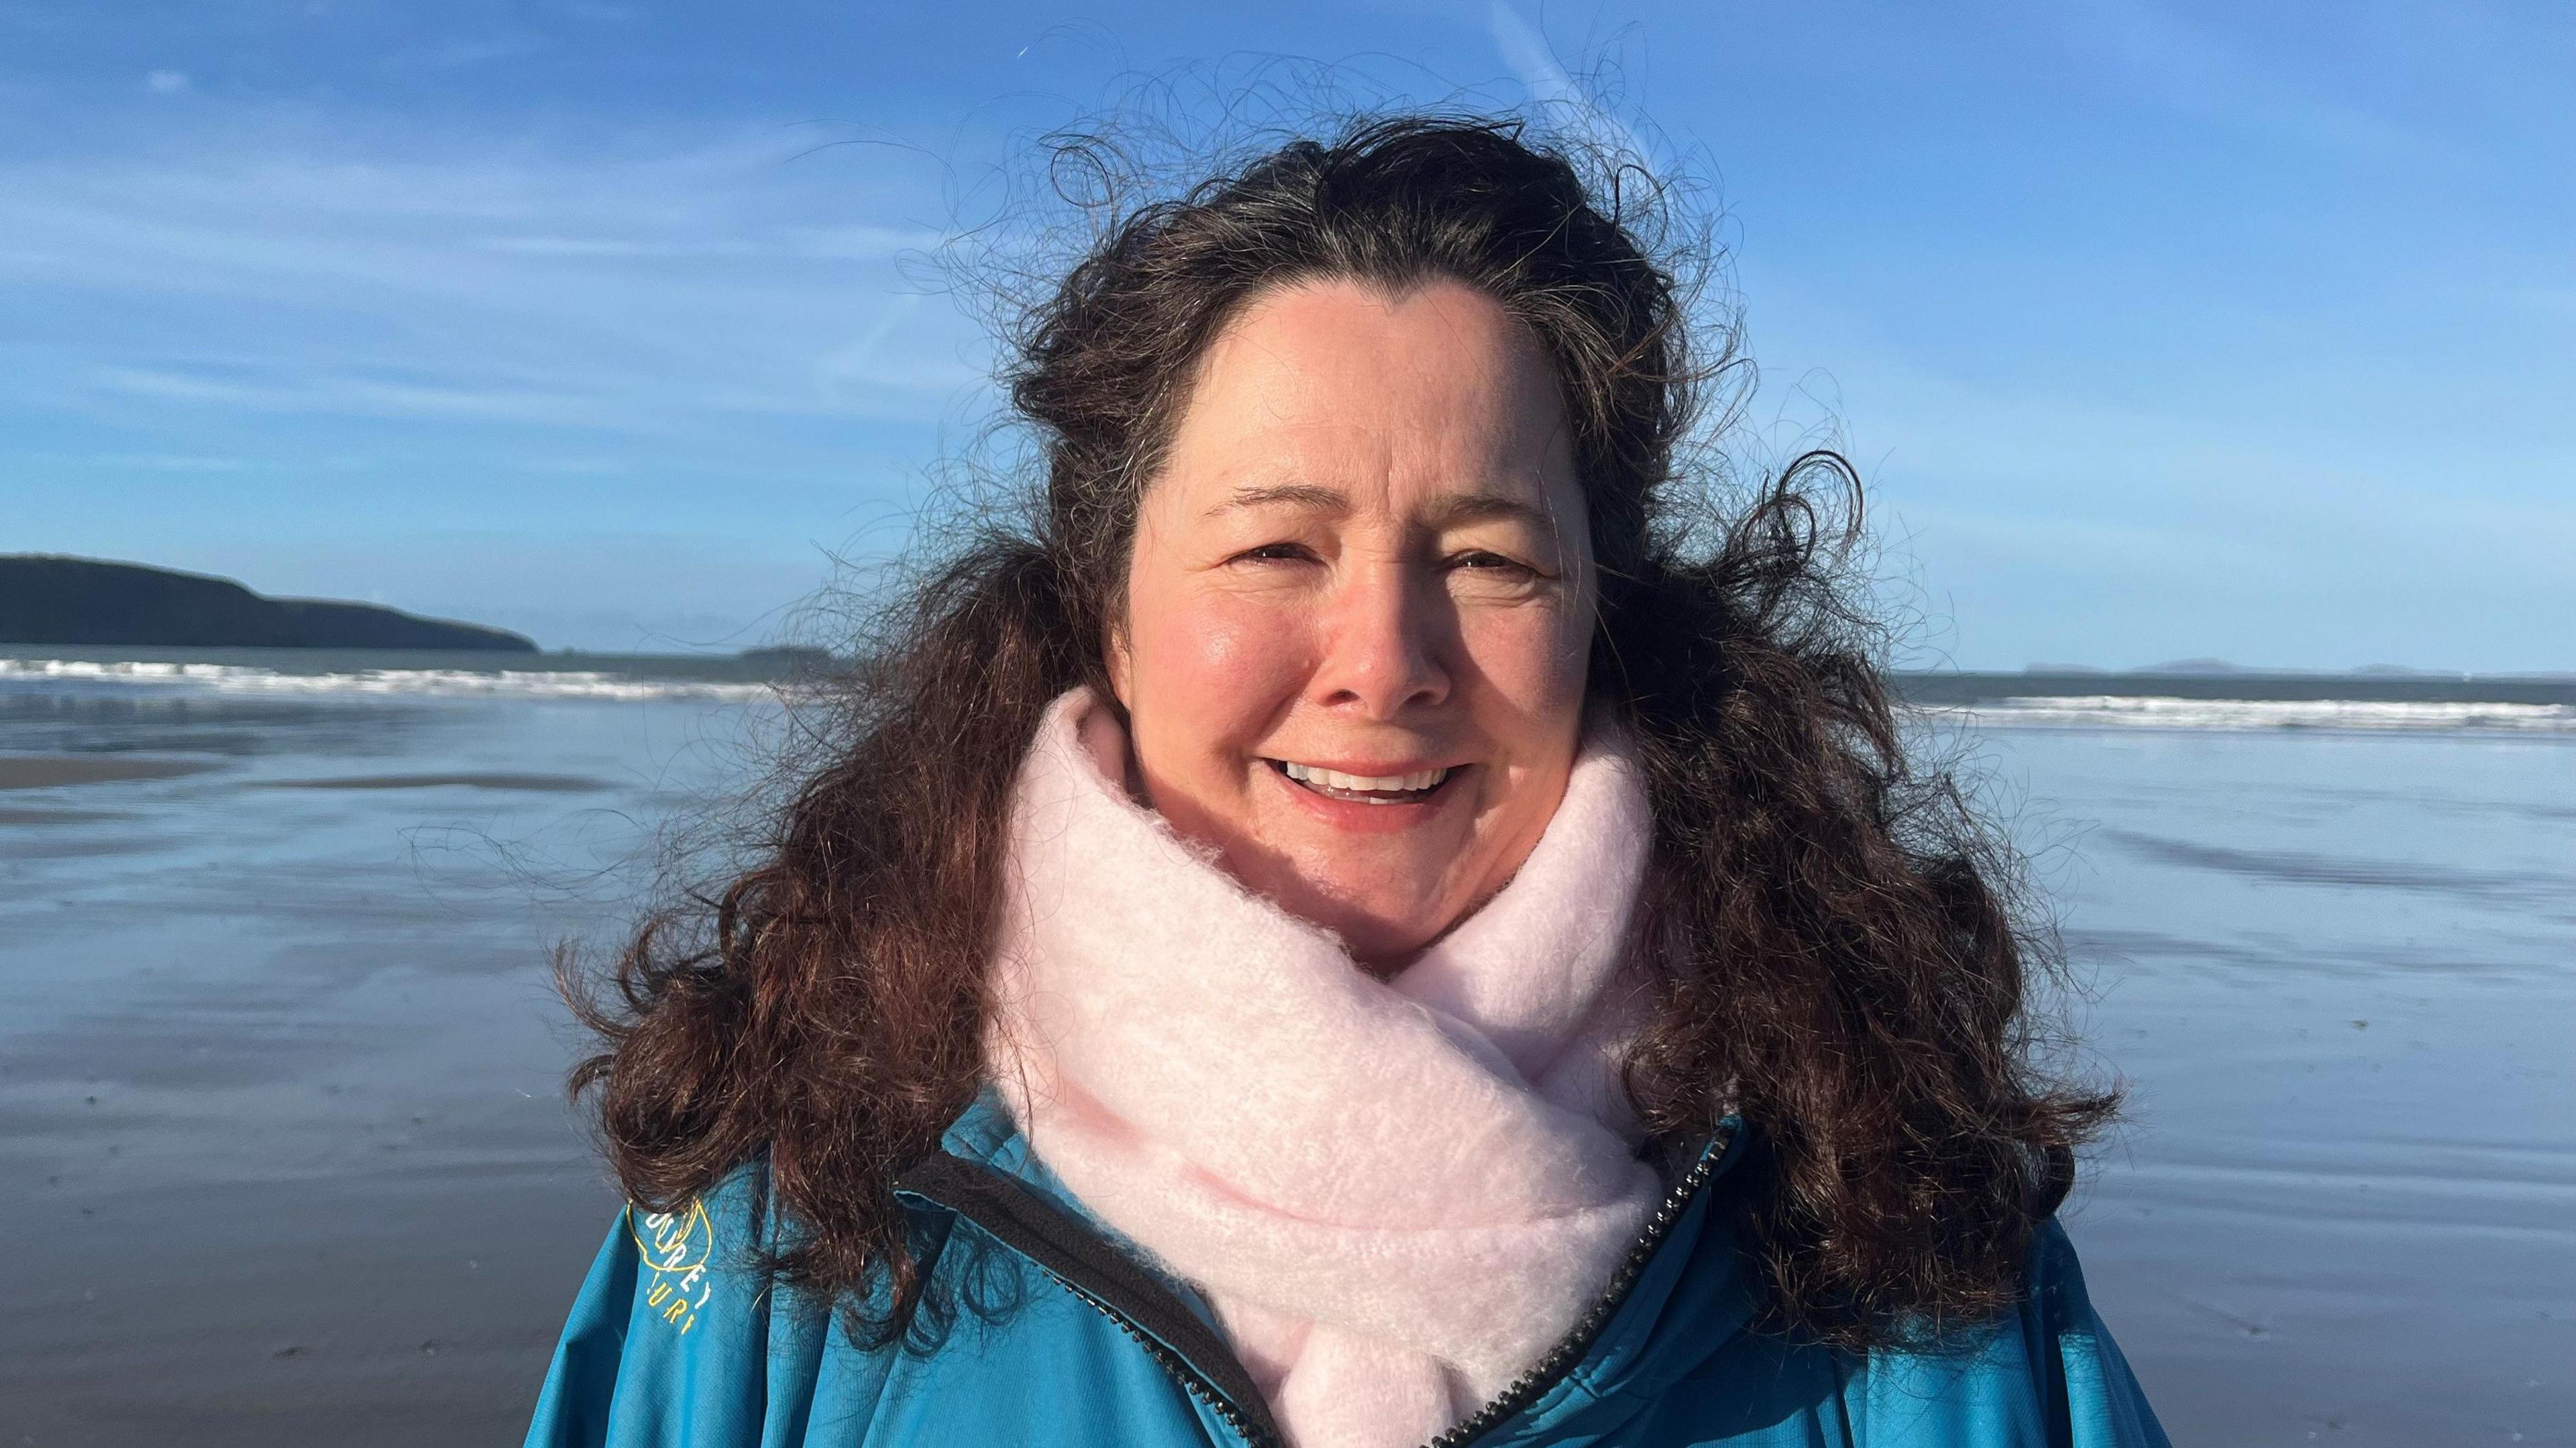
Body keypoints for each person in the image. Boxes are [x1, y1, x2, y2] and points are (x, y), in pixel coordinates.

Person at [523, 115, 2168, 1448]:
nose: (1384, 657)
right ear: (1110, 602)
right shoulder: (793, 1211)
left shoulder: (1903, 1236)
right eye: (1275, 546)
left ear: (1603, 611)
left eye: (1489, 555)